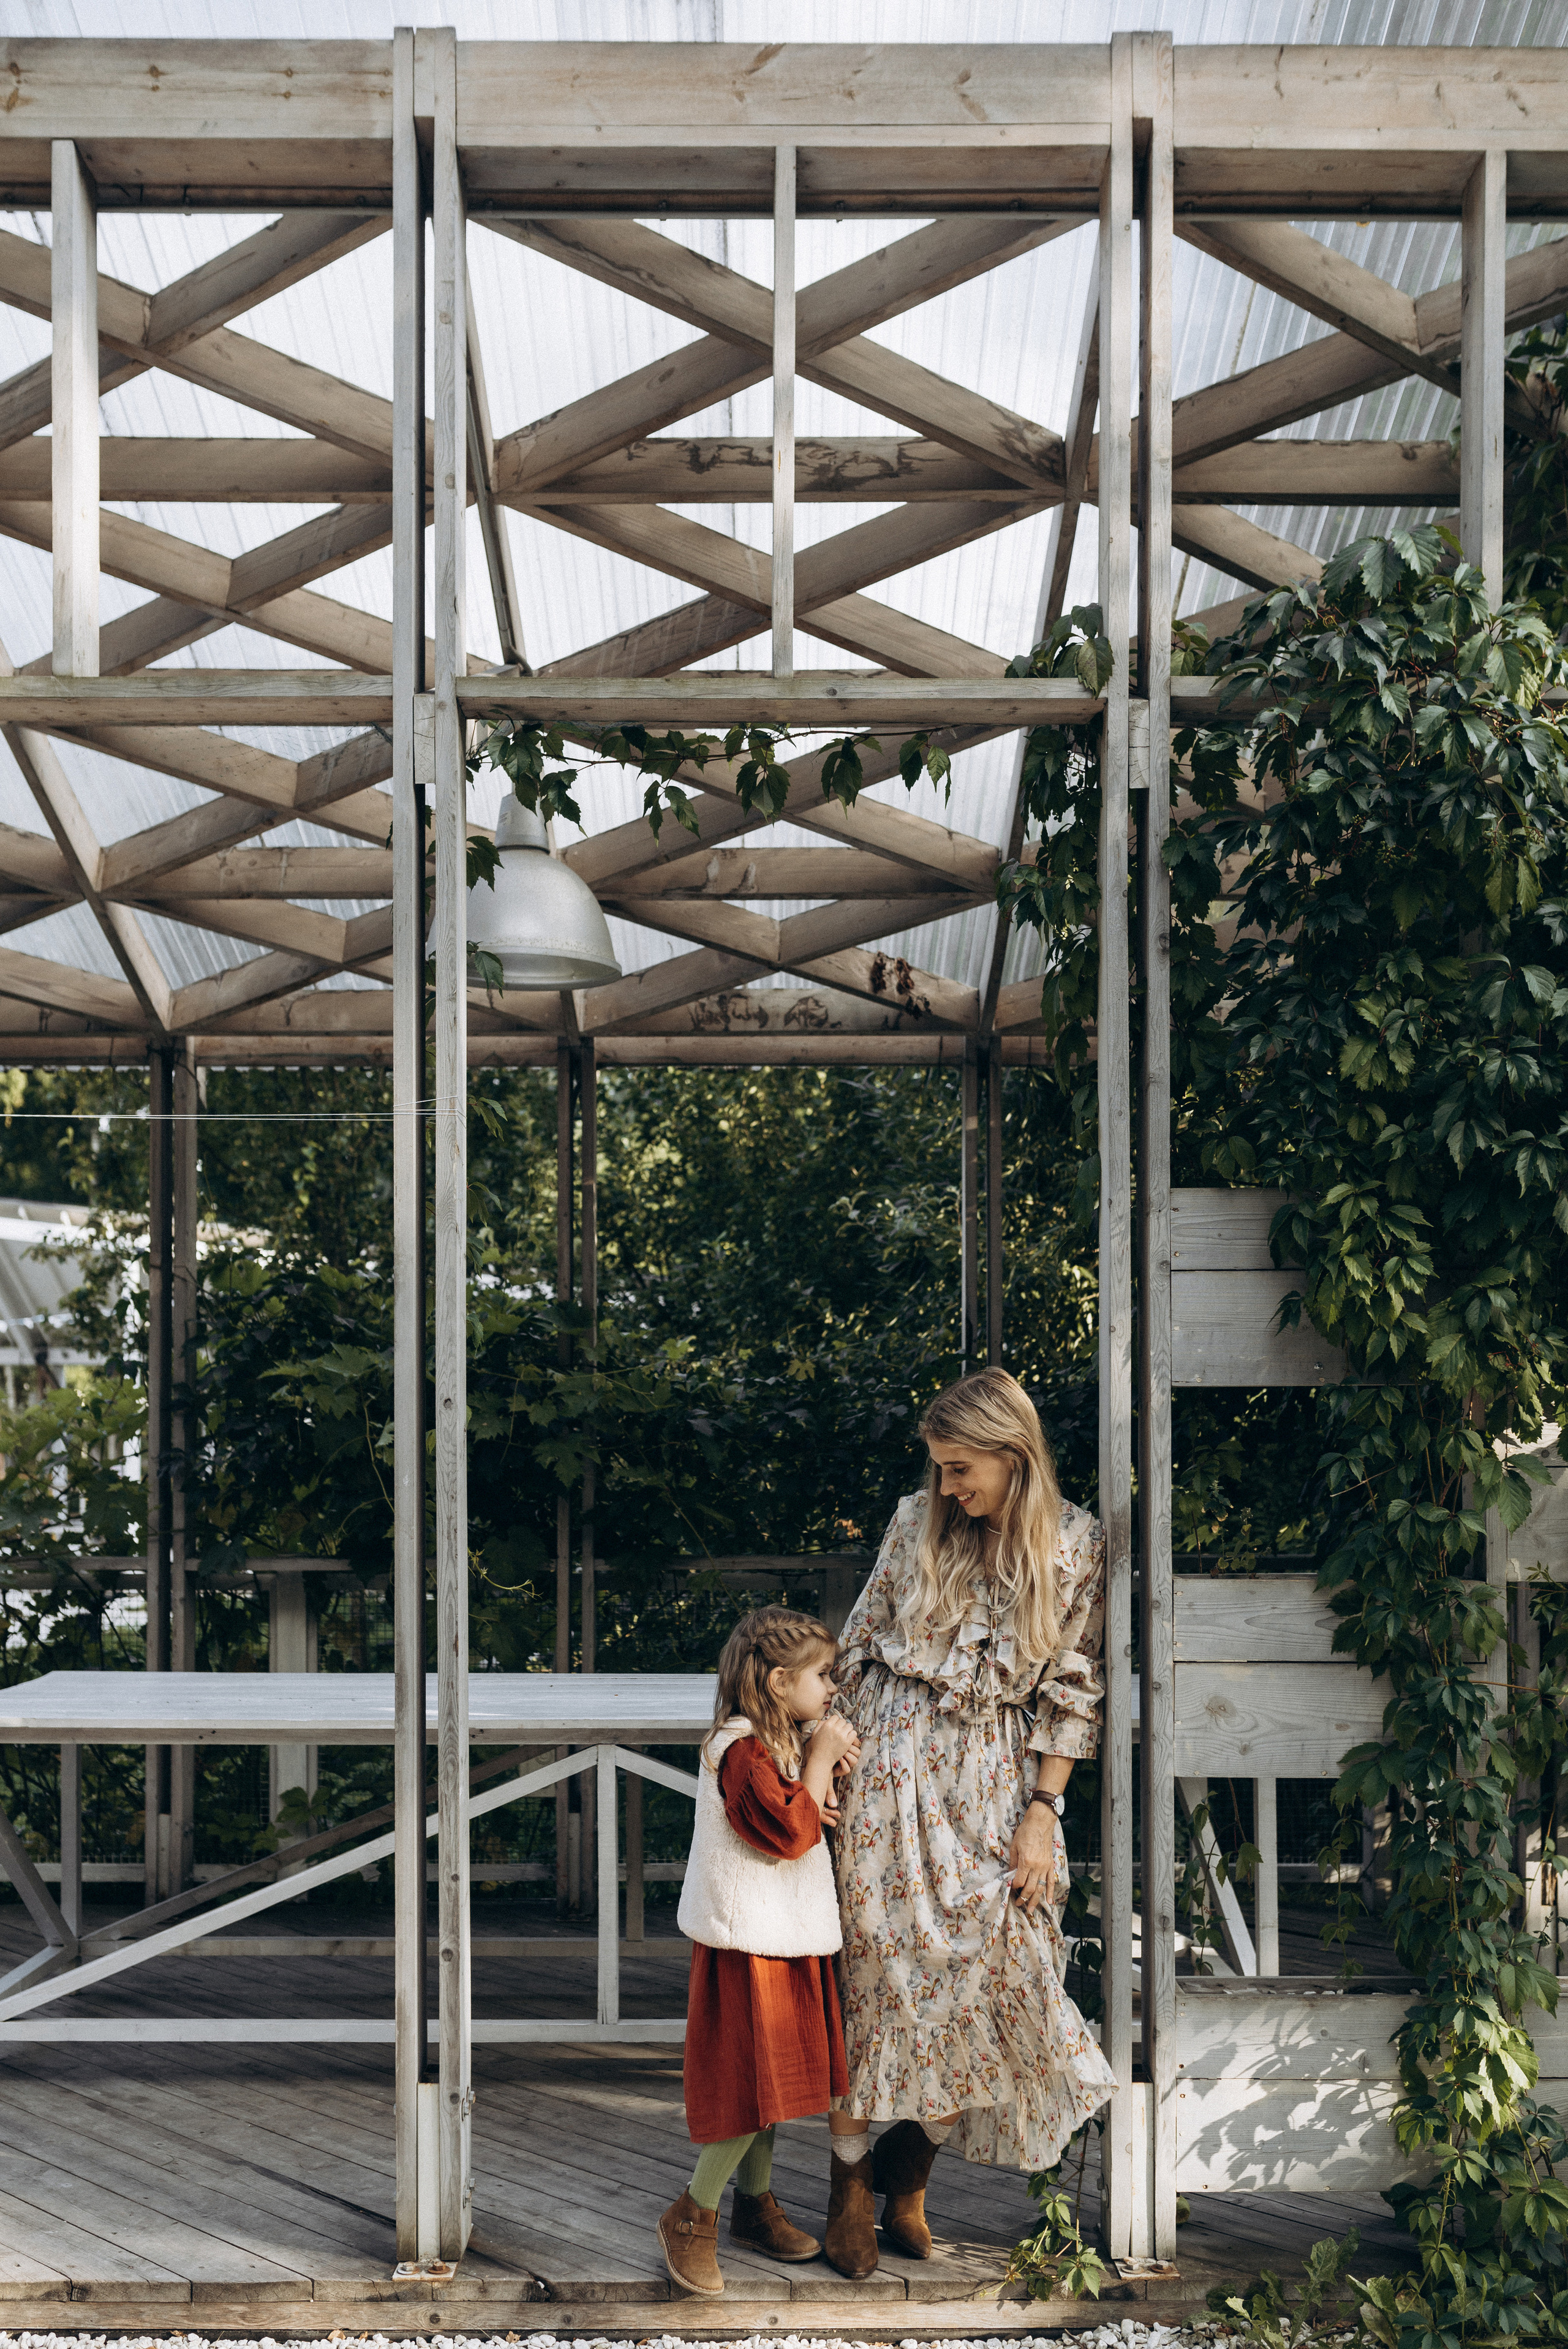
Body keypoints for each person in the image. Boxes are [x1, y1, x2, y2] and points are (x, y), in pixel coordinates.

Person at [822, 1366, 1116, 2280]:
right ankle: (848, 2184)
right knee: (875, 1978)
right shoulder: (916, 1520)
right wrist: (827, 1756)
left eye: (960, 1467)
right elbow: (858, 1642)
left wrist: (1043, 1809)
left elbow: (1074, 1688)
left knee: (1004, 1970)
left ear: (1012, 1453)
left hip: (997, 1778)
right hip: (890, 1771)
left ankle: (911, 2164)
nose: (947, 1486)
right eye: (940, 1468)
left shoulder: (1077, 1543)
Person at [660, 1606, 861, 2298]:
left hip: (781, 1936)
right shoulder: (741, 1751)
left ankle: (754, 2203)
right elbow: (789, 1833)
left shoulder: (773, 1743)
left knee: (772, 2084)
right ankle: (692, 2215)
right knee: (751, 2088)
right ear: (778, 1682)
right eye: (822, 1675)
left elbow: (793, 1812)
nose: (831, 1688)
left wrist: (815, 1775)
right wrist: (820, 1761)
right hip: (749, 1945)